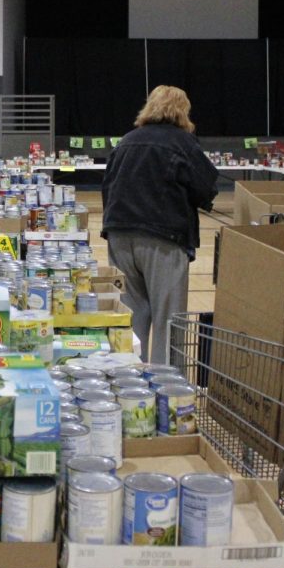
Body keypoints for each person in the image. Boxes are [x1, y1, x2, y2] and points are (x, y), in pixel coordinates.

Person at [101, 85, 219, 364]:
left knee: (130, 315)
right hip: (162, 237)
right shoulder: (184, 143)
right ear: (183, 111)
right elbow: (206, 187)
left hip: (119, 233)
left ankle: (127, 380)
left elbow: (107, 186)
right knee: (169, 318)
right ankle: (167, 393)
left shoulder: (127, 140)